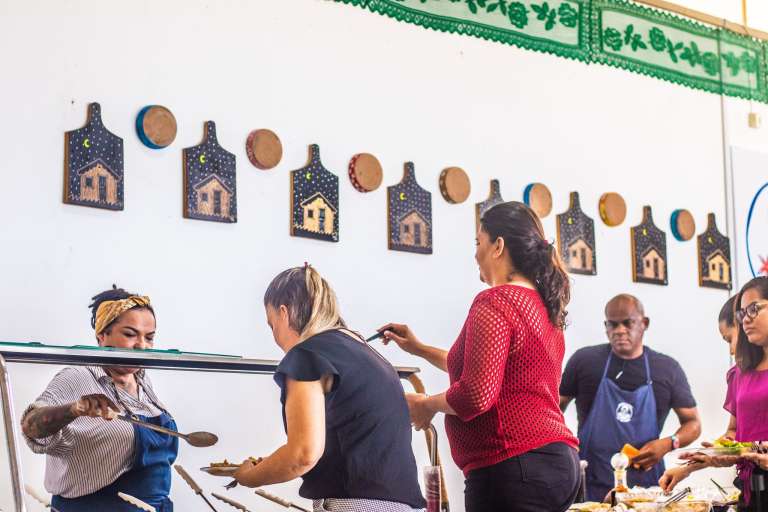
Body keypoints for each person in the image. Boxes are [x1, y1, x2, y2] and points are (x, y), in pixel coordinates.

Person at [378, 201, 581, 512]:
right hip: (556, 463)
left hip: (514, 466)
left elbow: (476, 393)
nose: (475, 254)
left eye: (478, 243)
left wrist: (425, 405)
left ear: (498, 246)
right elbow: (490, 366)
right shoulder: (543, 305)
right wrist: (418, 348)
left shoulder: (495, 300)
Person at [233, 265, 426, 512]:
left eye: (272, 325)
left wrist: (249, 477)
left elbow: (302, 455)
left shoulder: (306, 355)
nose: (275, 337)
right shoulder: (369, 354)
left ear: (284, 313)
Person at [21, 286, 177, 511]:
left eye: (149, 337)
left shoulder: (142, 381)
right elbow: (31, 426)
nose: (141, 346)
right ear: (102, 335)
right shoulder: (78, 376)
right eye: (130, 334)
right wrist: (75, 409)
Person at [559, 294, 701, 501]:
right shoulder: (584, 361)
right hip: (590, 484)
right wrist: (564, 446)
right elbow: (553, 407)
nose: (619, 330)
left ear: (644, 323)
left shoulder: (667, 369)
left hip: (647, 489)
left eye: (628, 323)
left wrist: (668, 443)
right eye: (612, 324)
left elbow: (693, 423)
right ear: (605, 326)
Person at [659, 277, 768, 511]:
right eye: (742, 313)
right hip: (753, 492)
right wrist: (699, 461)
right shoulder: (741, 374)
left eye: (753, 309)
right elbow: (736, 436)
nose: (746, 319)